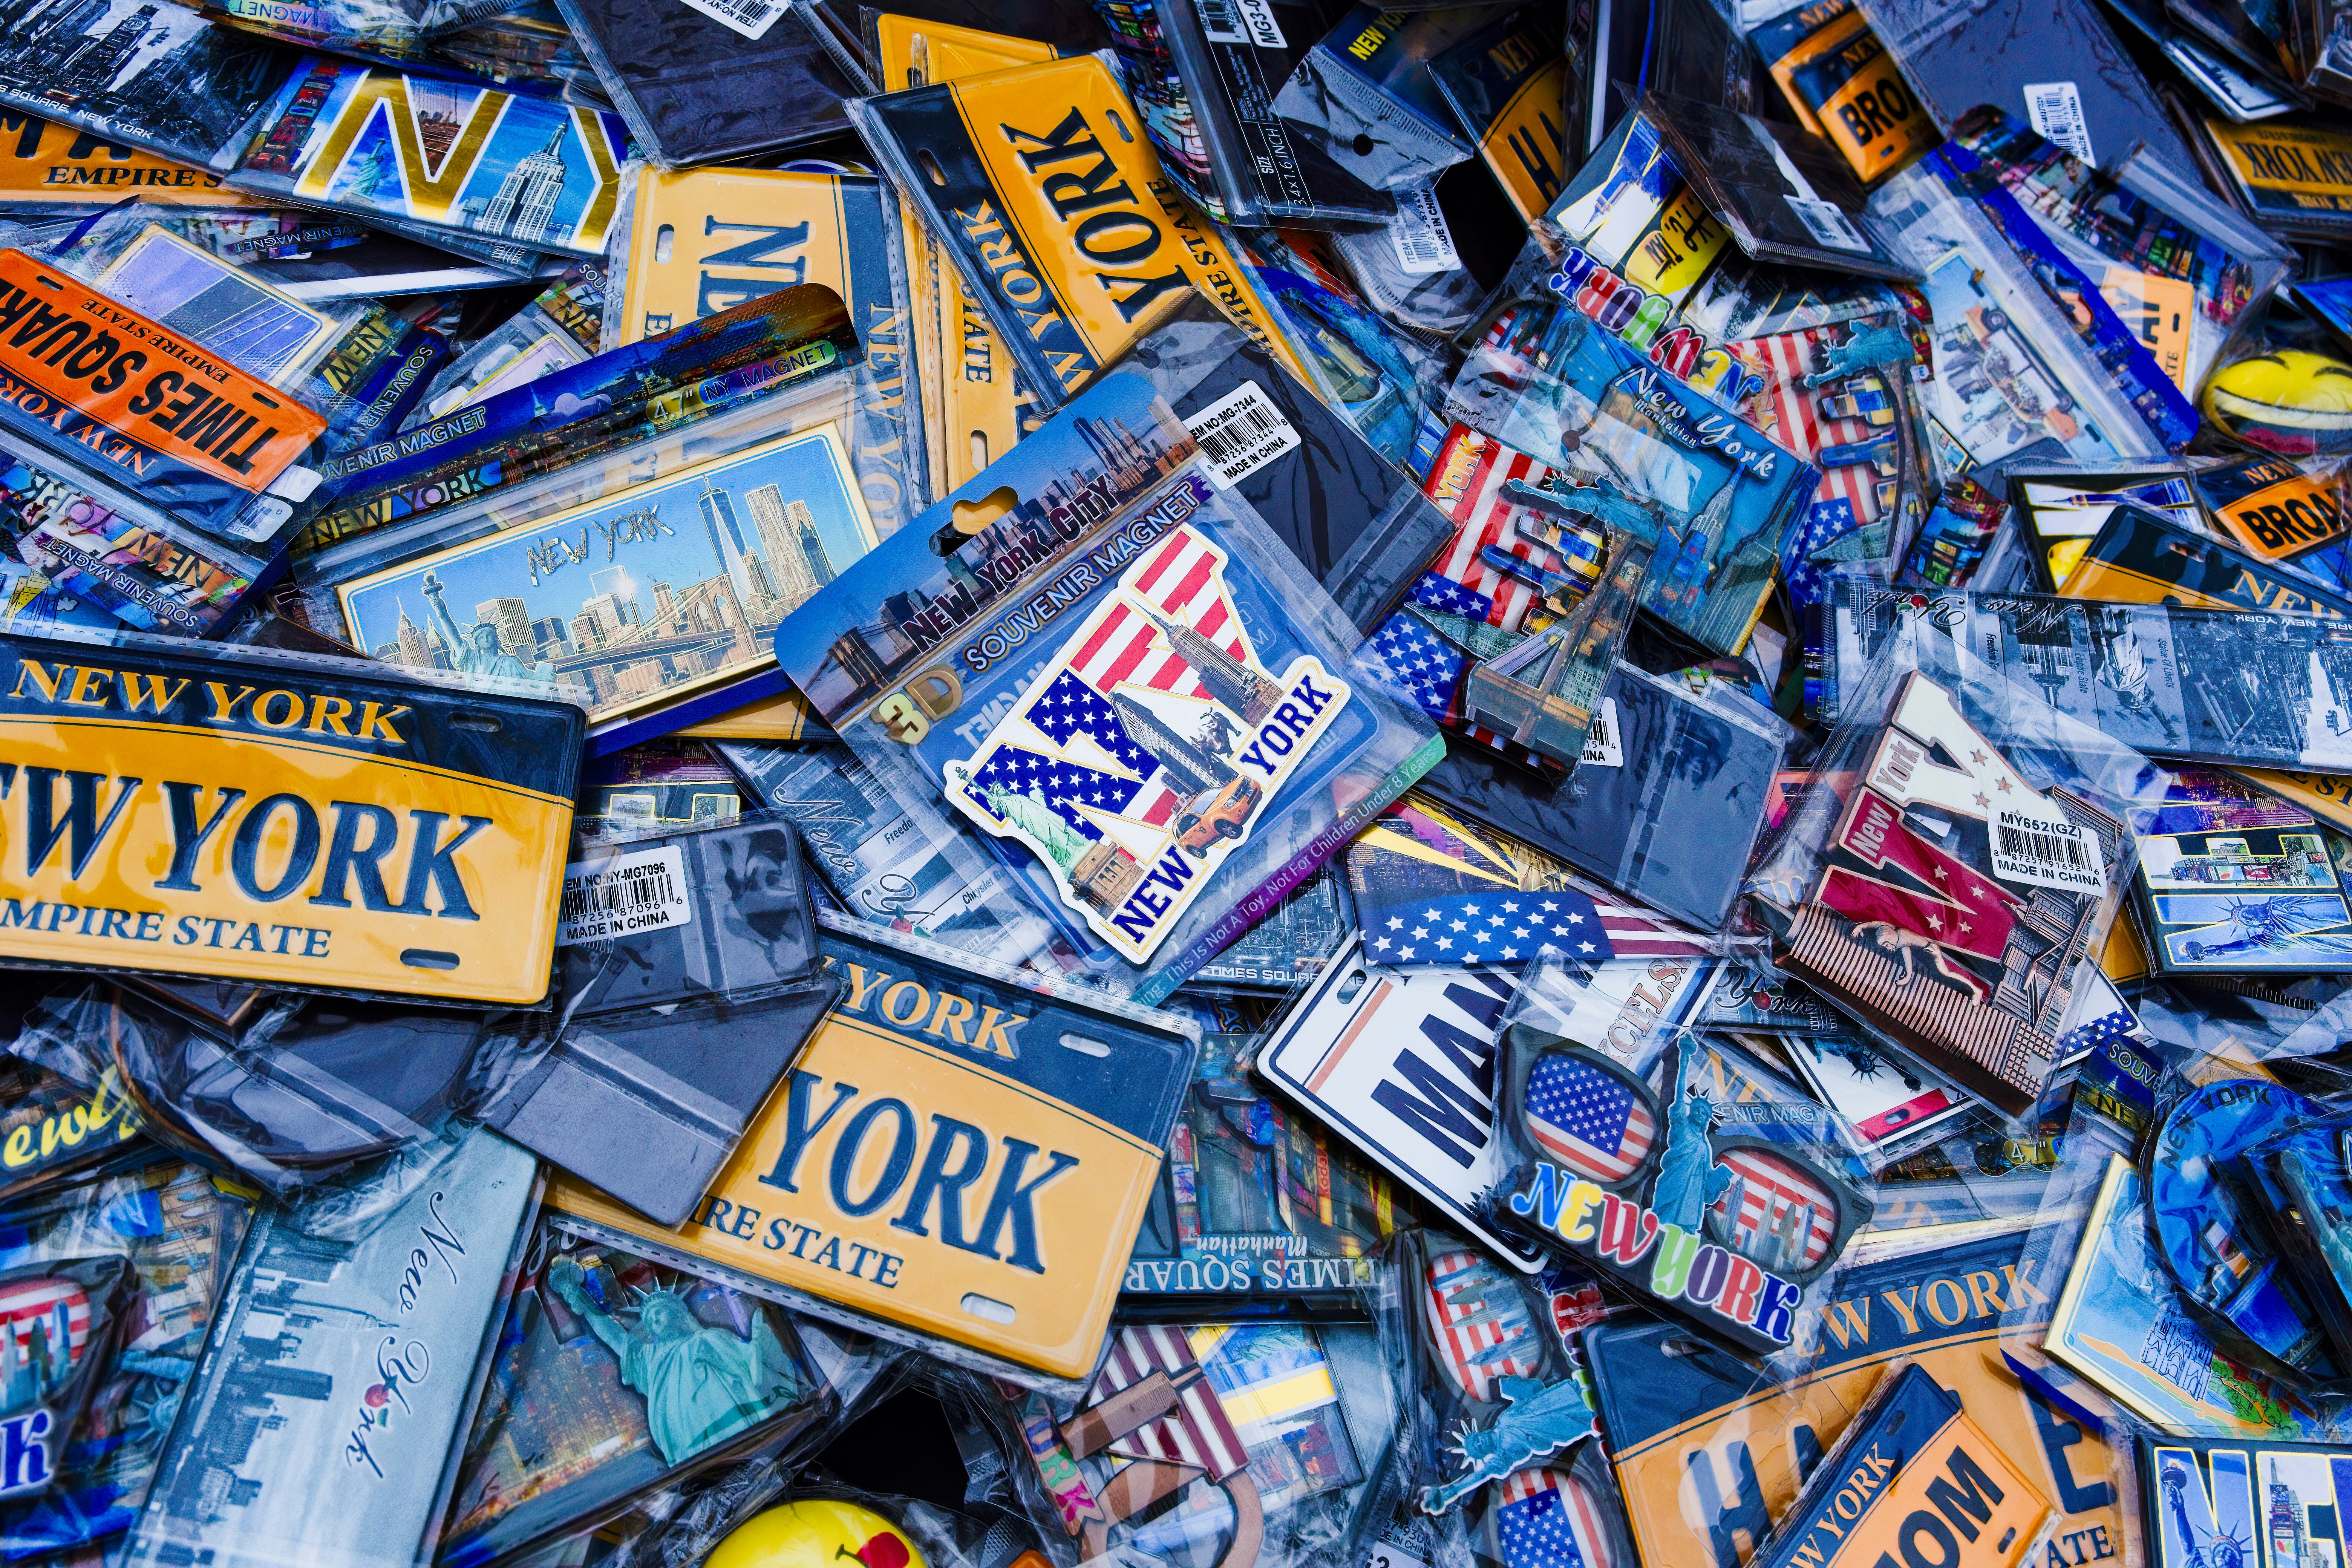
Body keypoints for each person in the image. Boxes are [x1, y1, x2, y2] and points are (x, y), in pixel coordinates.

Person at [548, 1258, 805, 1465]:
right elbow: (612, 1335)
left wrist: (761, 1333)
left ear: (681, 1314)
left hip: (747, 1438)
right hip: (693, 1451)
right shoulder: (649, 1360)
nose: (656, 1322)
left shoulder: (711, 1338)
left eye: (660, 1313)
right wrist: (573, 1293)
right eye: (651, 1321)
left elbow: (749, 1368)